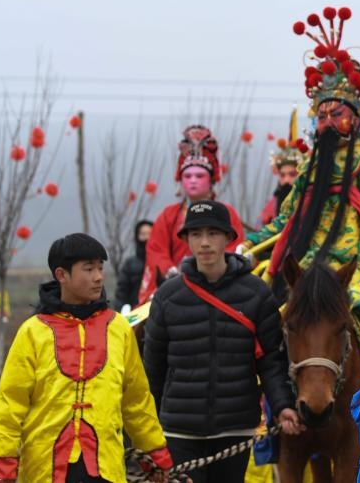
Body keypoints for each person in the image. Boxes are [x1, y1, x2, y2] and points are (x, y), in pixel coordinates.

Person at [241, 6, 360, 377]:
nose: (328, 122)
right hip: (304, 275)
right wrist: (245, 248)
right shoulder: (309, 172)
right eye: (322, 115)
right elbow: (283, 222)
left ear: (356, 118)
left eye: (337, 114)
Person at [0, 233, 172, 483]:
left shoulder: (118, 329)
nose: (98, 277)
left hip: (104, 467)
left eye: (100, 268)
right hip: (45, 469)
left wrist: (156, 457)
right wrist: (2, 467)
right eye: (88, 269)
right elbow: (9, 405)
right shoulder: (33, 332)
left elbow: (136, 402)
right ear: (61, 275)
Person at [142, 200, 301, 483]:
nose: (205, 243)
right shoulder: (167, 297)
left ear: (229, 237)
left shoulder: (257, 294)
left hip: (235, 428)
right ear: (186, 240)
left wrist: (282, 406)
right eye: (196, 234)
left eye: (213, 233)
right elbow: (152, 369)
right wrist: (147, 432)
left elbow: (271, 363)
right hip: (179, 429)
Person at [138, 124, 245, 303]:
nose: (193, 181)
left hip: (221, 288)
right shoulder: (168, 215)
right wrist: (172, 271)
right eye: (187, 176)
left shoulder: (227, 213)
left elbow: (236, 247)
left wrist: (214, 271)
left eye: (199, 176)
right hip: (175, 287)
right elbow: (156, 250)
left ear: (211, 180)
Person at [113, 219, 152, 310]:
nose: (147, 238)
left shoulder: (162, 263)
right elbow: (121, 292)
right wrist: (122, 309)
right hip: (134, 312)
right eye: (143, 234)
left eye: (150, 233)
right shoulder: (130, 264)